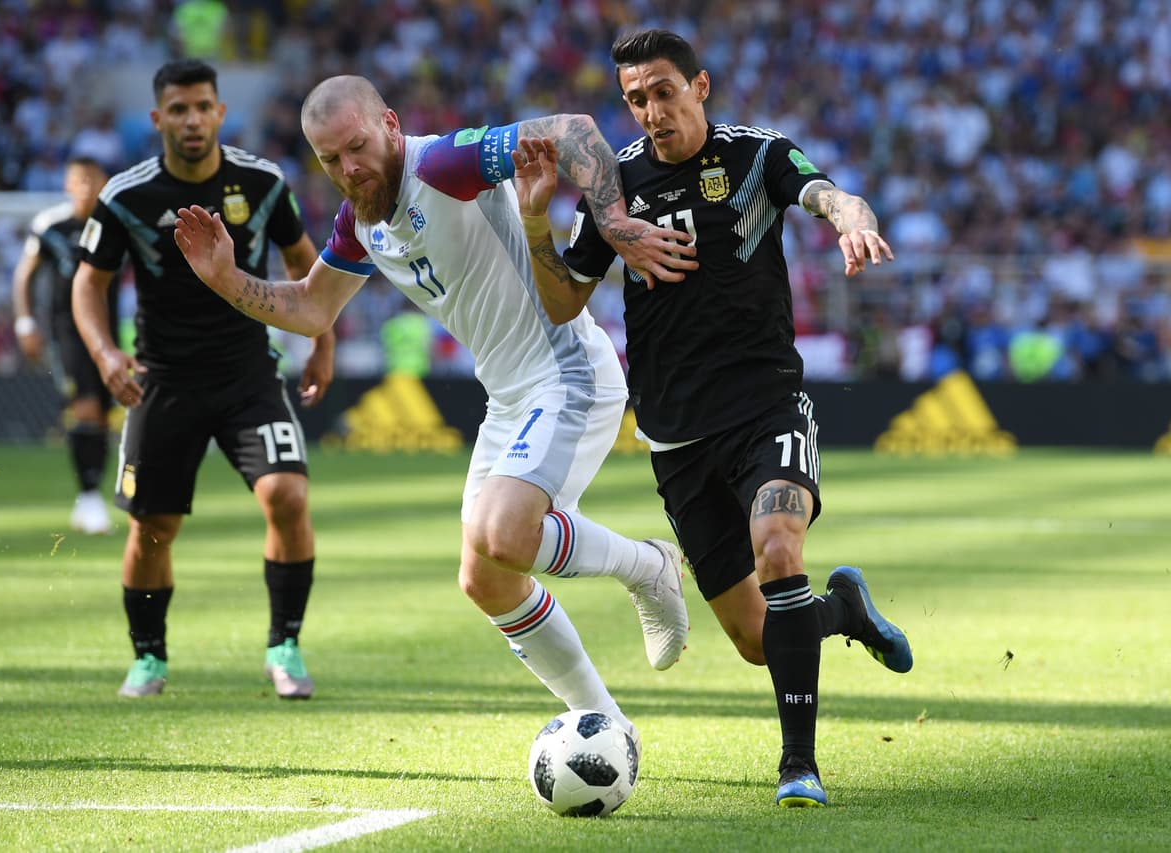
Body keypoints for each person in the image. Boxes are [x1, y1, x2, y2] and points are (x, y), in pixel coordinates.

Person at [173, 74, 695, 745]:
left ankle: (649, 566)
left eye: (357, 146)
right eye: (330, 159)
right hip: (508, 396)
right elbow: (311, 308)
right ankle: (605, 723)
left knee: (506, 535)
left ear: (390, 125)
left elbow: (573, 132)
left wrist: (614, 224)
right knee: (484, 578)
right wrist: (224, 279)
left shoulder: (443, 164)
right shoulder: (361, 220)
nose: (349, 168)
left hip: (567, 374)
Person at [511, 29, 912, 807]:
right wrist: (534, 221)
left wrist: (849, 219)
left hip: (766, 408)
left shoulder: (756, 157)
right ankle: (845, 610)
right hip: (676, 437)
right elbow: (564, 301)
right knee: (760, 639)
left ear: (699, 86)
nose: (651, 111)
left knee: (779, 546)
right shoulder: (615, 184)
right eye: (636, 99)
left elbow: (828, 193)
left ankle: (799, 766)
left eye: (664, 91)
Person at [71, 59, 336, 700]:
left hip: (248, 375)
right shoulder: (126, 195)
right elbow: (88, 283)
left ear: (220, 113)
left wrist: (322, 343)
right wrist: (106, 355)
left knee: (288, 496)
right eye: (179, 109)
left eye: (202, 107)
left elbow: (306, 265)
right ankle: (149, 657)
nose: (192, 120)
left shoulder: (262, 182)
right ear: (158, 118)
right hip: (162, 382)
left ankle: (284, 646)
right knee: (152, 528)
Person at [12, 156, 116, 535]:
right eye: (79, 179)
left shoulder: (115, 223)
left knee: (102, 416)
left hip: (107, 333)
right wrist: (25, 322)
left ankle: (90, 496)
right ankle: (90, 498)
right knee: (85, 407)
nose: (86, 186)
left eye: (93, 179)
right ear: (67, 184)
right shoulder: (51, 226)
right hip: (66, 333)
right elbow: (24, 274)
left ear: (104, 182)